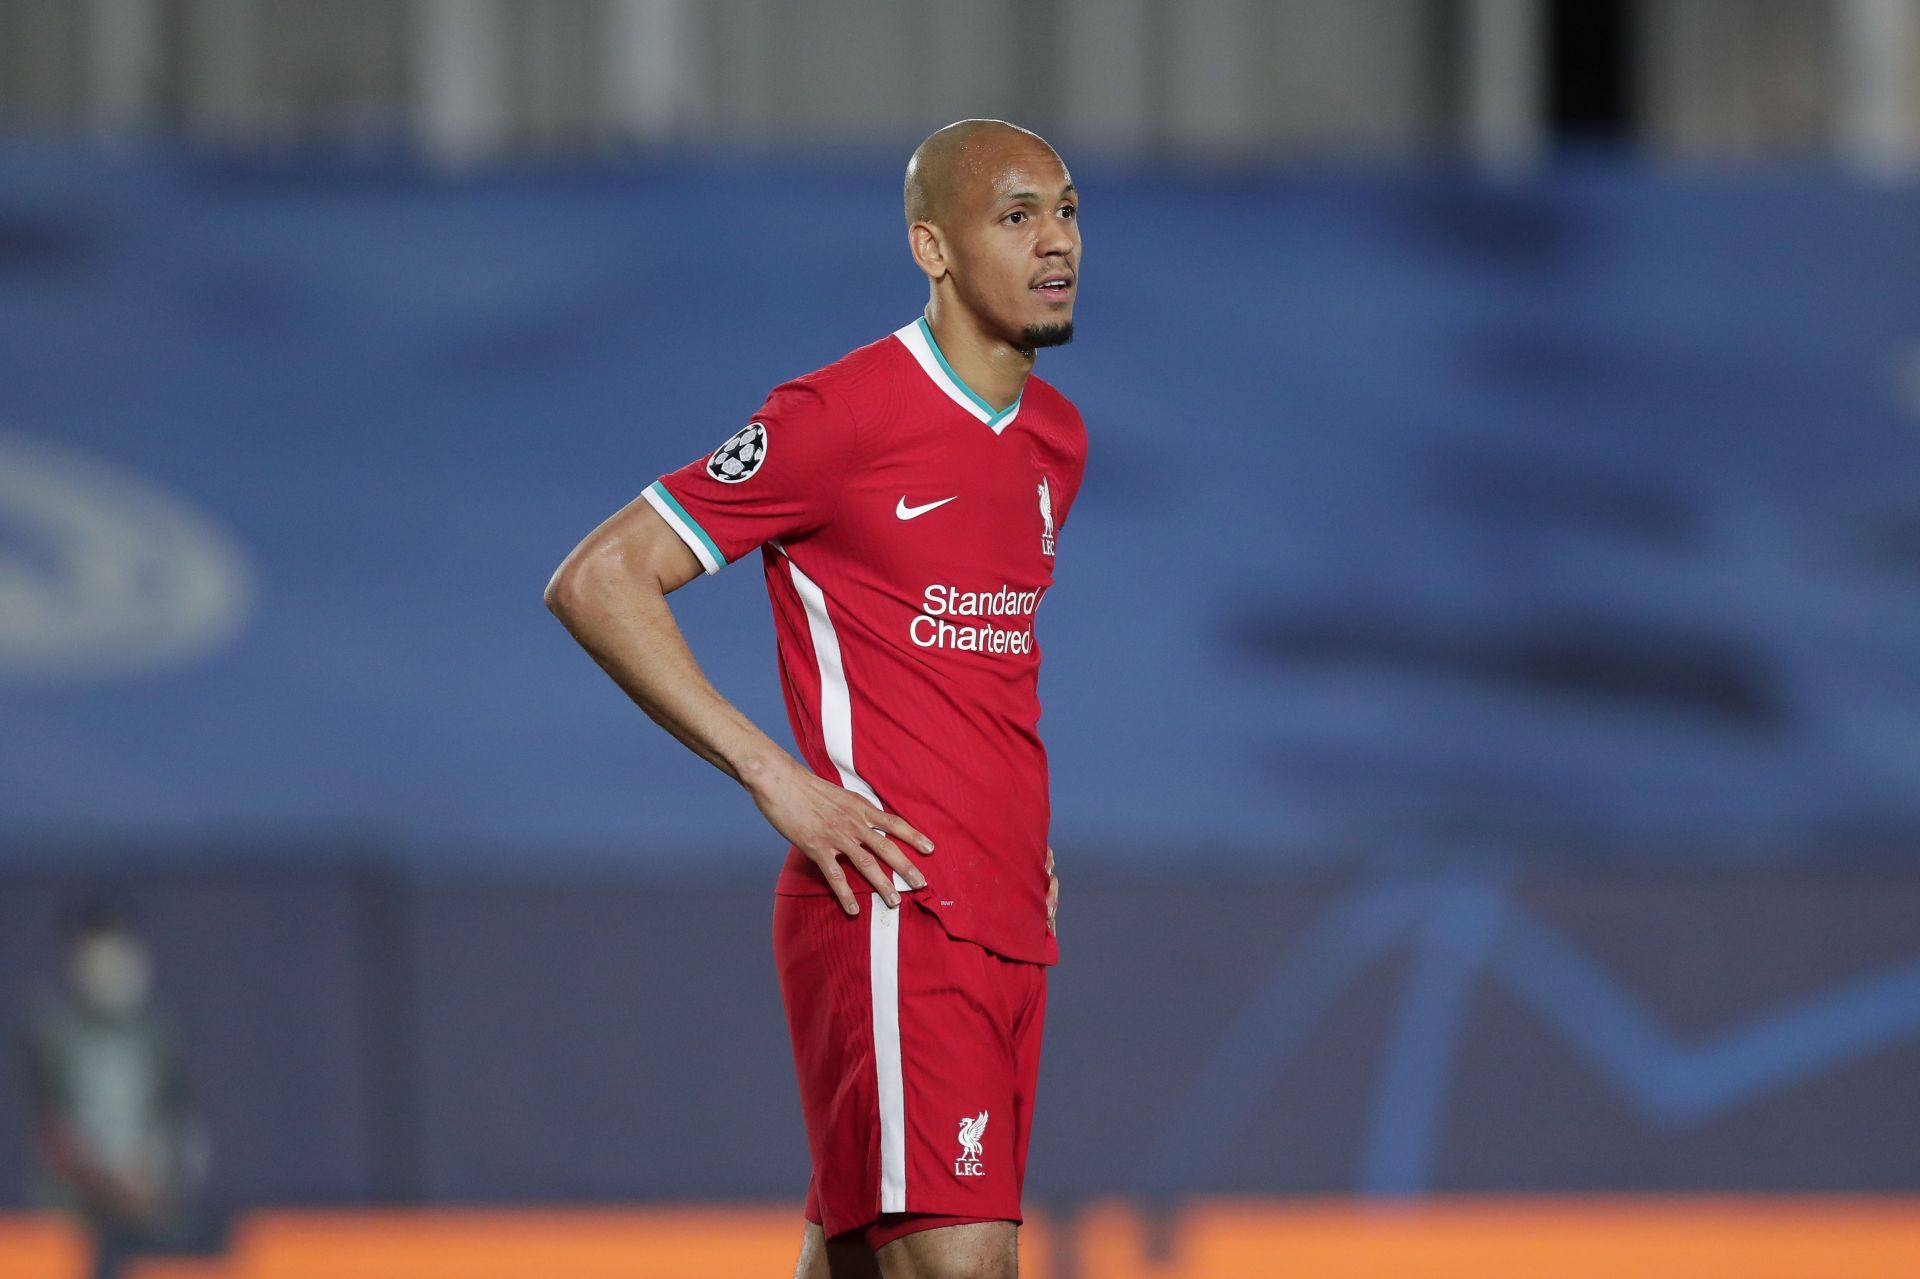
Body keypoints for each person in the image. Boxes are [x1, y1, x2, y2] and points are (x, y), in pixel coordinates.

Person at [546, 118, 1084, 1279]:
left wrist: (1020, 832)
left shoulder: (1055, 438)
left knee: (856, 1262)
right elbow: (601, 579)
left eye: (1068, 211)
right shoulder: (838, 417)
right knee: (965, 1266)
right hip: (893, 911)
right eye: (1016, 214)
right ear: (932, 249)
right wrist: (773, 774)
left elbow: (982, 665)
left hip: (1005, 920)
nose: (1056, 242)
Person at [22, 907, 207, 1279]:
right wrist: (103, 1180)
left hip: (153, 1207)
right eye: (96, 957)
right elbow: (50, 1128)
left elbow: (180, 1119)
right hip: (75, 1211)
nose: (108, 968)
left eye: (116, 955)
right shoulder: (52, 1033)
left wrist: (157, 1178)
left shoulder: (157, 1032)